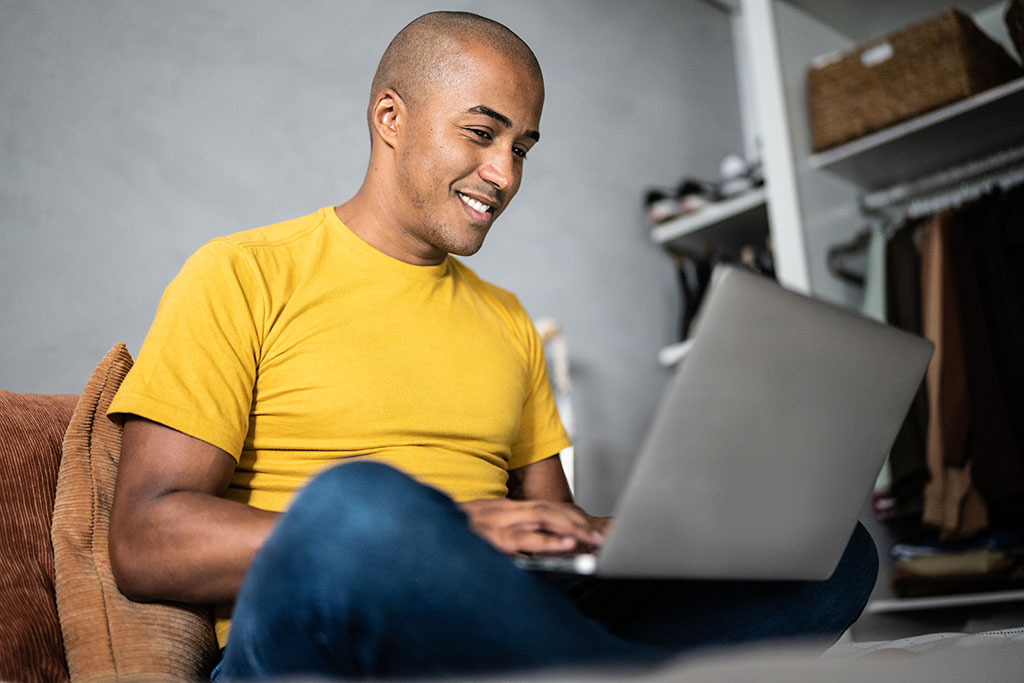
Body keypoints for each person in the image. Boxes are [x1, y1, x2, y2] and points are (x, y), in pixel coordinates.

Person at [107, 11, 877, 680]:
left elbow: (554, 528)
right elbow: (145, 536)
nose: (504, 174)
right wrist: (445, 524)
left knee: (827, 553)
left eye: (523, 148)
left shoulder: (508, 319)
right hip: (316, 638)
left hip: (493, 617)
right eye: (481, 133)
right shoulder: (243, 272)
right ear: (390, 117)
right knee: (360, 504)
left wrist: (665, 528)